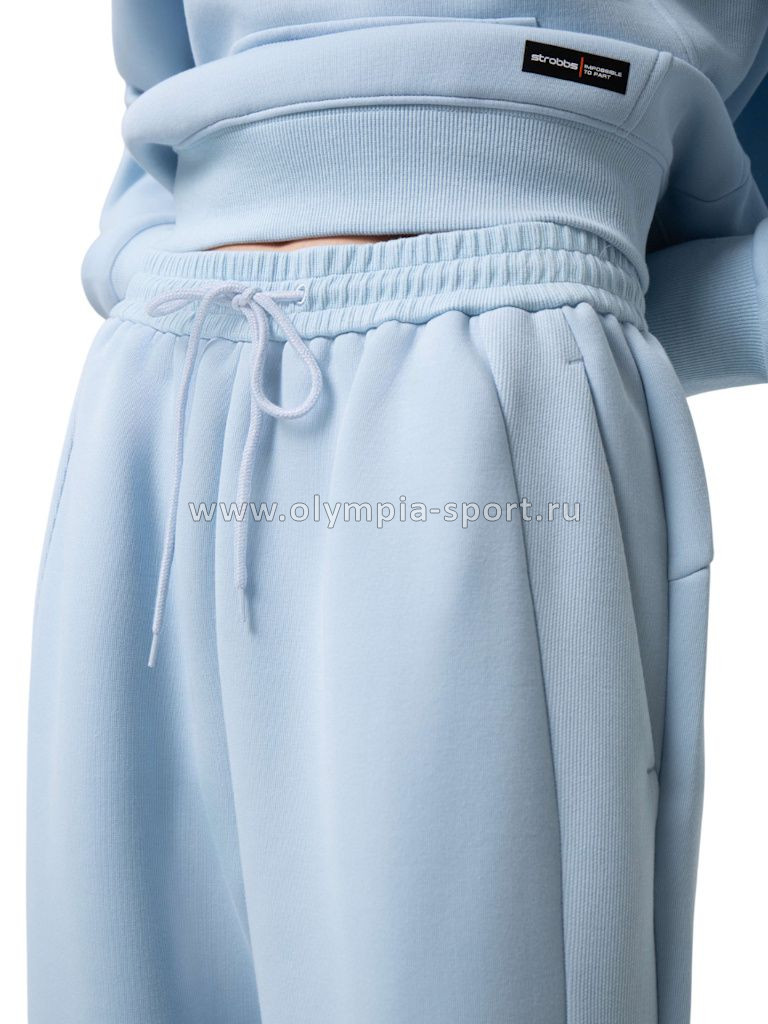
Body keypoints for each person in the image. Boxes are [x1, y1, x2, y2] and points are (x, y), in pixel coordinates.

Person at [27, 6, 768, 1024]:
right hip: (166, 384)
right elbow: (157, 82)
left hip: (481, 399)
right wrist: (142, 271)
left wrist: (576, 297)